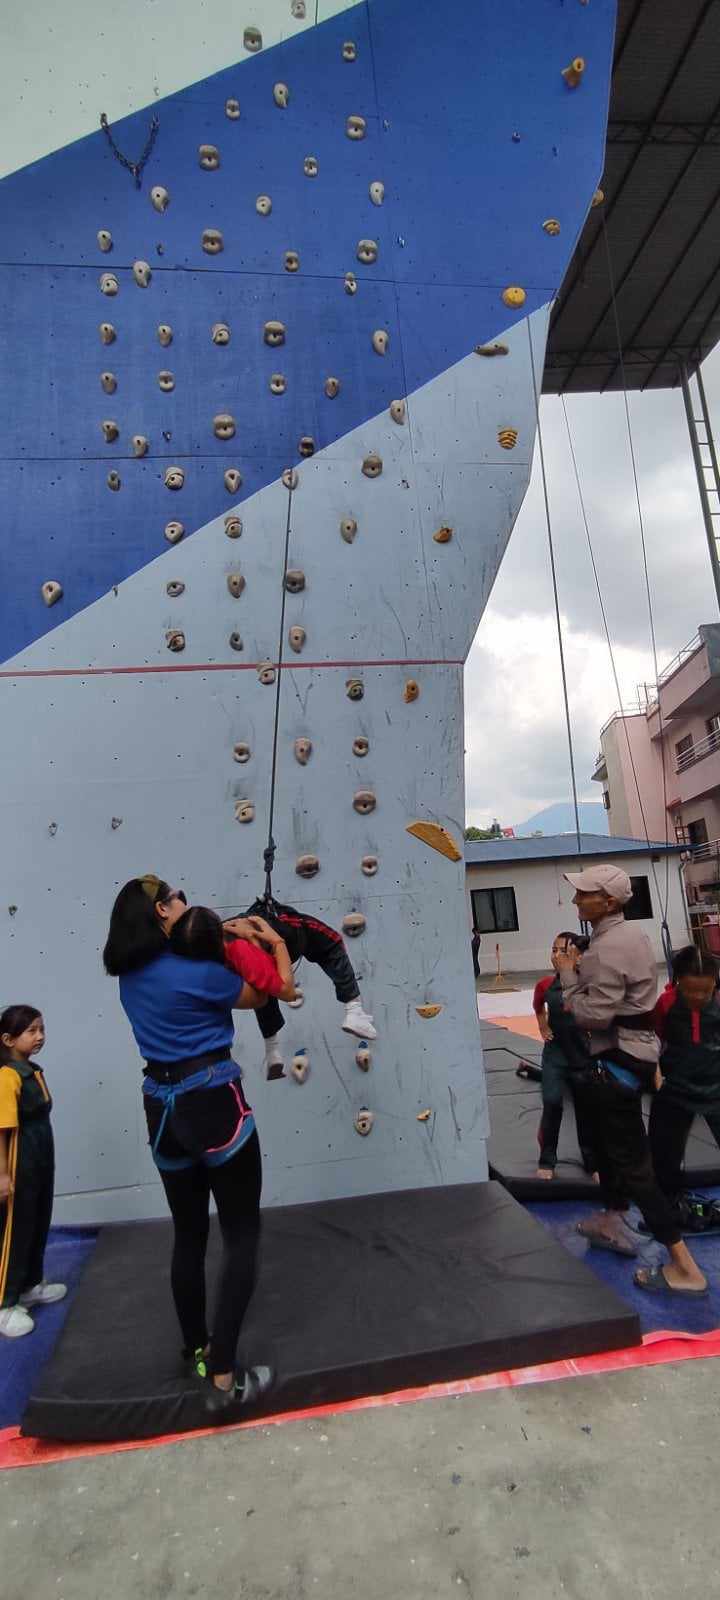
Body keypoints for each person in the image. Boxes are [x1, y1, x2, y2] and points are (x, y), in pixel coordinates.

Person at [103, 874, 295, 1415]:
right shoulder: (200, 973)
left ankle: (196, 1351)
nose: (186, 900)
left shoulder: (131, 978)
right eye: (177, 896)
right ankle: (225, 1375)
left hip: (159, 1107)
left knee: (188, 1233)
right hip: (213, 1102)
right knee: (241, 1236)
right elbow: (266, 992)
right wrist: (267, 943)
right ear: (163, 912)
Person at [555, 863, 708, 1297]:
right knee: (610, 1147)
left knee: (635, 1166)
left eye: (584, 895)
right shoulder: (630, 936)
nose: (575, 901)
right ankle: (611, 1216)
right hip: (633, 1054)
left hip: (616, 1059)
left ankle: (683, 1264)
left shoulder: (604, 950)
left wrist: (568, 978)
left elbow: (592, 1015)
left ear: (608, 902)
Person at [236, 896, 377, 1079]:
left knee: (263, 982)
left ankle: (272, 1051)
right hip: (280, 930)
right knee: (332, 943)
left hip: (243, 943)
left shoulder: (219, 940)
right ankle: (354, 1010)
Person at [0, 1006, 66, 1340]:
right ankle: (5, 1303)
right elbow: (2, 1129)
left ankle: (29, 1285)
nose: (39, 1037)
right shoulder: (6, 1075)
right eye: (31, 1031)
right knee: (16, 1227)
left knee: (39, 1219)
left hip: (41, 1150)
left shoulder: (31, 1069)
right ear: (8, 1039)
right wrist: (2, 1174)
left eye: (41, 1029)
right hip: (19, 1156)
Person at [649, 945, 720, 1226]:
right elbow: (651, 1038)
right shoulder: (666, 1004)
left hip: (717, 1088)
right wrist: (655, 1074)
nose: (698, 997)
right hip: (676, 1088)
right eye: (691, 990)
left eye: (706, 990)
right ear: (678, 981)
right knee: (664, 1154)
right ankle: (669, 1207)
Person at [532, 933, 598, 1181]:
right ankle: (547, 1159)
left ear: (577, 956)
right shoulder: (545, 985)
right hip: (555, 1055)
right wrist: (542, 1027)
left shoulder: (587, 985)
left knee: (586, 1110)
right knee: (552, 1103)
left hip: (583, 1057)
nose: (555, 955)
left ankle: (593, 1162)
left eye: (562, 951)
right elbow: (538, 1005)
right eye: (553, 950)